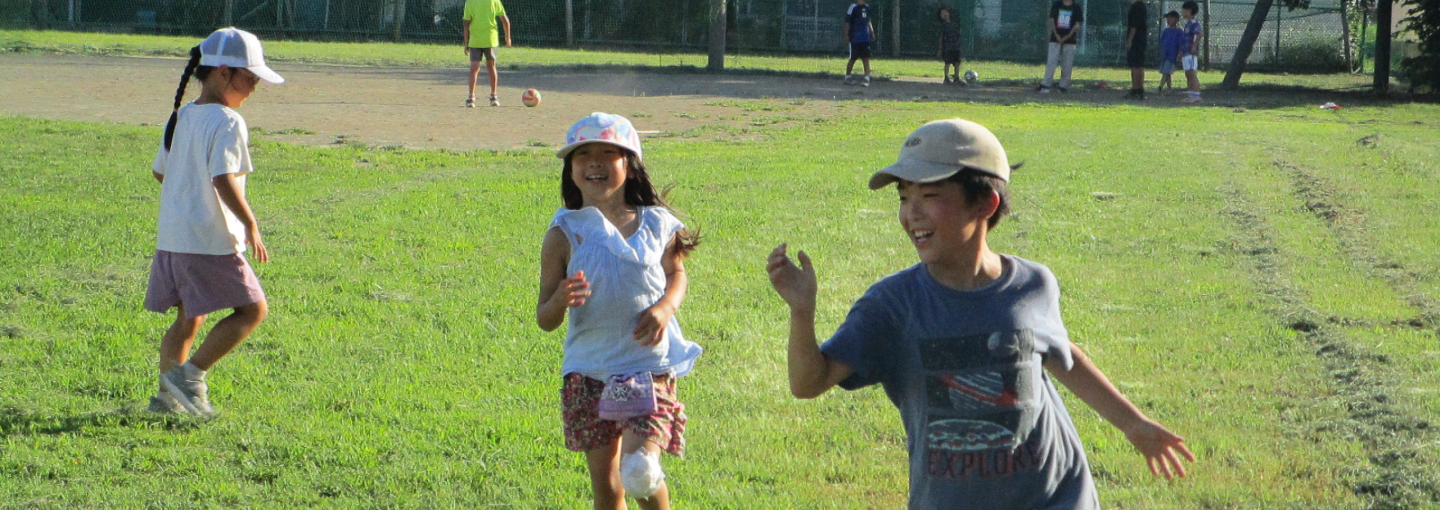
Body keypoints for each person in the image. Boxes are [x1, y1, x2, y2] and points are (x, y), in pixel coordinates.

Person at [766, 119, 1195, 509]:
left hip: (1057, 497)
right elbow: (808, 383)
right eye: (903, 196)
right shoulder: (892, 306)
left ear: (985, 204)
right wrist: (802, 312)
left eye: (929, 195)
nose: (910, 212)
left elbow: (1061, 355)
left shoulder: (1033, 284)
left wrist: (1133, 424)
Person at [537, 113, 704, 510]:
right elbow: (545, 318)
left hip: (647, 366)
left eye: (608, 153)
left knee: (639, 473)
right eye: (583, 155)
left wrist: (666, 308)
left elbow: (676, 273)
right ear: (571, 170)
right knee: (609, 489)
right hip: (588, 372)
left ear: (628, 166)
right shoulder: (563, 234)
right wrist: (560, 299)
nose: (594, 162)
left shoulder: (656, 224)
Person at [147, 27, 283, 416]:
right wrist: (251, 224)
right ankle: (189, 377)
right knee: (253, 311)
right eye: (251, 77)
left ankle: (165, 401)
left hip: (175, 237)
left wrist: (187, 194)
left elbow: (161, 173)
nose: (255, 87)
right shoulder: (227, 121)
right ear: (222, 72)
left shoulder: (183, 116)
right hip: (209, 240)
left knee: (190, 317)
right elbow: (222, 177)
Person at [462, 0, 511, 107]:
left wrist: (466, 43)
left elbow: (466, 23)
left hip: (475, 40)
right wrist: (508, 38)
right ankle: (494, 96)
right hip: (491, 40)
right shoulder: (494, 1)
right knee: (491, 67)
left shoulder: (470, 2)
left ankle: (471, 98)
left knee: (474, 68)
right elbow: (505, 21)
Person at [1038, 0, 1083, 93]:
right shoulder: (1057, 5)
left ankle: (1063, 86)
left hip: (1070, 40)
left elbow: (1077, 24)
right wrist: (1057, 35)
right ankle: (1046, 84)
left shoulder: (1076, 7)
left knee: (1067, 63)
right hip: (1055, 38)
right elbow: (1052, 20)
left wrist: (1068, 36)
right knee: (1051, 61)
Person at [843, 0, 875, 87]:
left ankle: (866, 78)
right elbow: (848, 22)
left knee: (866, 58)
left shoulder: (867, 7)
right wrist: (847, 34)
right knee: (853, 58)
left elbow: (868, 21)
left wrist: (871, 32)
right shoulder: (853, 7)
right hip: (855, 38)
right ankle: (848, 77)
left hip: (865, 37)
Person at [1179, 1, 1204, 104]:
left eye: (1184, 10)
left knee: (1192, 73)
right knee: (1188, 74)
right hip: (1185, 52)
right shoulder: (1187, 24)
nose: (1182, 12)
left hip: (1191, 53)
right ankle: (1190, 95)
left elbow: (1200, 33)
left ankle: (1196, 95)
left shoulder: (1194, 23)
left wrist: (1194, 46)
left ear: (1189, 11)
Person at [1124, 0, 1148, 100]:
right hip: (1142, 39)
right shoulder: (1142, 6)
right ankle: (1140, 89)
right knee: (1140, 64)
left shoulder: (1136, 7)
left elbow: (1134, 26)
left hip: (1136, 40)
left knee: (1135, 65)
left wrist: (1129, 40)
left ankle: (1135, 88)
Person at [1158, 11, 1185, 93]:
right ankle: (1169, 88)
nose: (1168, 20)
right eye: (1167, 18)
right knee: (1167, 72)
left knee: (1166, 71)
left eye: (1170, 18)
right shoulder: (1166, 31)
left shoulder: (1179, 32)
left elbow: (1181, 44)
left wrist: (1180, 54)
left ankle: (1160, 87)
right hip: (1165, 55)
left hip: (1172, 55)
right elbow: (1162, 42)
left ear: (1176, 19)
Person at [937, 7, 963, 86]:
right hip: (947, 47)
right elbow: (940, 37)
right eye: (942, 13)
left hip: (955, 46)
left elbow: (958, 35)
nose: (945, 14)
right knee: (947, 62)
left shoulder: (954, 25)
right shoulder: (942, 26)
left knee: (957, 62)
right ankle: (946, 78)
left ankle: (956, 78)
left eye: (946, 12)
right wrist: (940, 48)